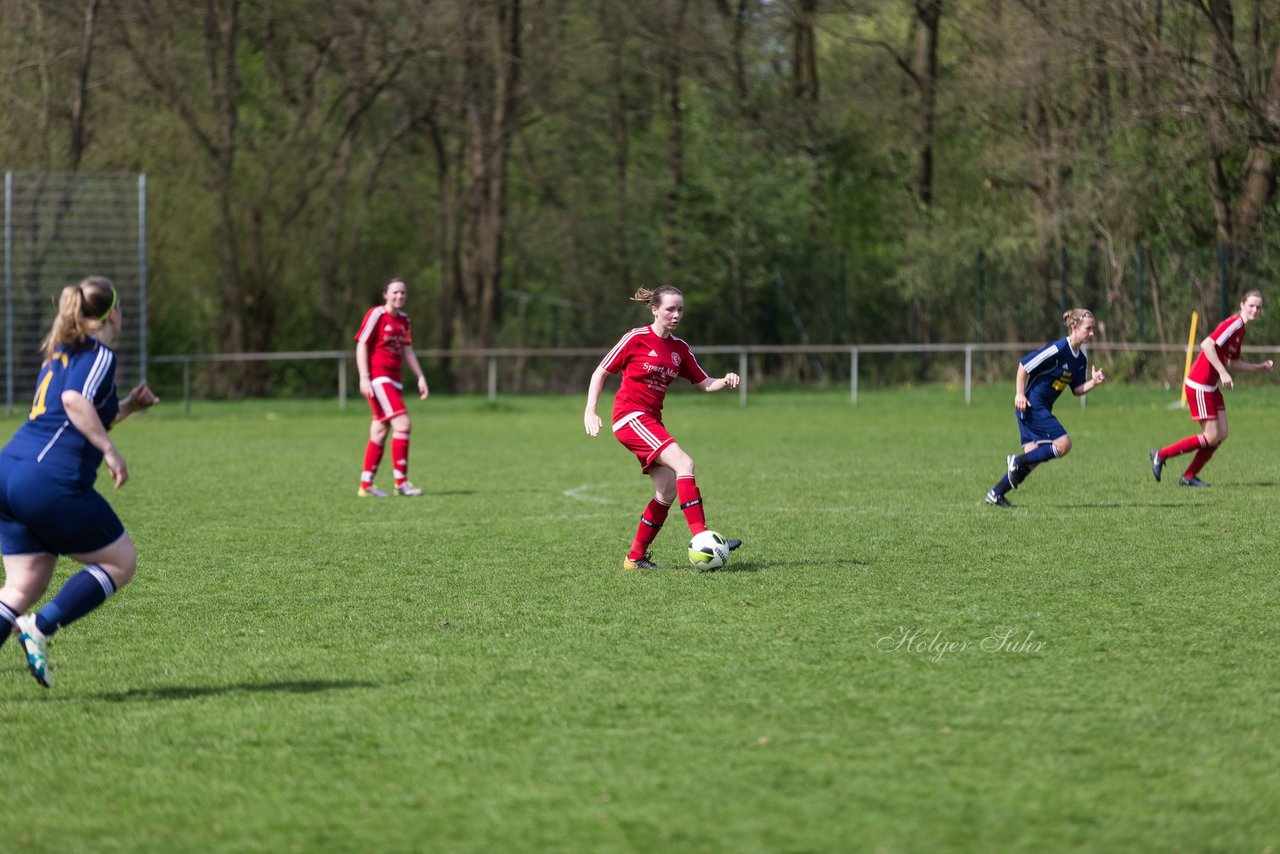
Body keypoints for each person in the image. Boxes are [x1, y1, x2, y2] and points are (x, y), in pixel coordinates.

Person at [0, 276, 160, 688]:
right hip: (47, 478)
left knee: (23, 584)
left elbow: (70, 414)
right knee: (120, 562)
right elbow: (74, 404)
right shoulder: (100, 353)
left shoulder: (59, 352)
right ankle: (42, 626)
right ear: (113, 313)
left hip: (10, 468)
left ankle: (32, 622)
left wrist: (126, 407)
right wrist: (110, 451)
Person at [584, 285, 744, 570]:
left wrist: (726, 379)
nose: (676, 315)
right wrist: (590, 411)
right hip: (630, 417)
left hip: (651, 421)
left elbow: (706, 383)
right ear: (654, 309)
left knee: (667, 490)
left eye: (680, 309)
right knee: (685, 463)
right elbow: (601, 371)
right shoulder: (636, 338)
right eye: (670, 309)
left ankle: (634, 558)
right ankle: (703, 536)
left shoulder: (678, 349)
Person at [985, 308, 1108, 507]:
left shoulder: (1081, 360)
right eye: (1089, 329)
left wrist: (1093, 382)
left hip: (1041, 408)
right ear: (1074, 327)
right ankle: (1016, 461)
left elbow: (1076, 389)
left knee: (1033, 458)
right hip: (1031, 405)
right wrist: (1019, 393)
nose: (1092, 333)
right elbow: (1024, 365)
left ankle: (996, 493)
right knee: (1063, 444)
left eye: (1093, 329)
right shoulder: (1058, 348)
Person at [1149, 290, 1273, 487]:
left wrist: (1258, 368)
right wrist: (1223, 372)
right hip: (1200, 384)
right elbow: (1207, 344)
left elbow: (1233, 361)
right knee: (1212, 436)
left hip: (1210, 386)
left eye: (1258, 307)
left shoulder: (1241, 330)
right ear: (1242, 305)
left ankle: (1188, 476)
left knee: (1221, 434)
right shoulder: (1234, 324)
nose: (1255, 310)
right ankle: (1161, 454)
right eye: (1251, 305)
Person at [355, 278, 430, 497]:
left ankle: (366, 486)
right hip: (379, 379)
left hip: (395, 380)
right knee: (403, 424)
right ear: (385, 294)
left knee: (380, 430)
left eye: (403, 293)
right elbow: (361, 344)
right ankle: (401, 483)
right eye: (395, 292)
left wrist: (420, 377)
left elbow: (408, 351)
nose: (399, 296)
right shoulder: (376, 314)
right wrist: (364, 377)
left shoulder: (404, 320)